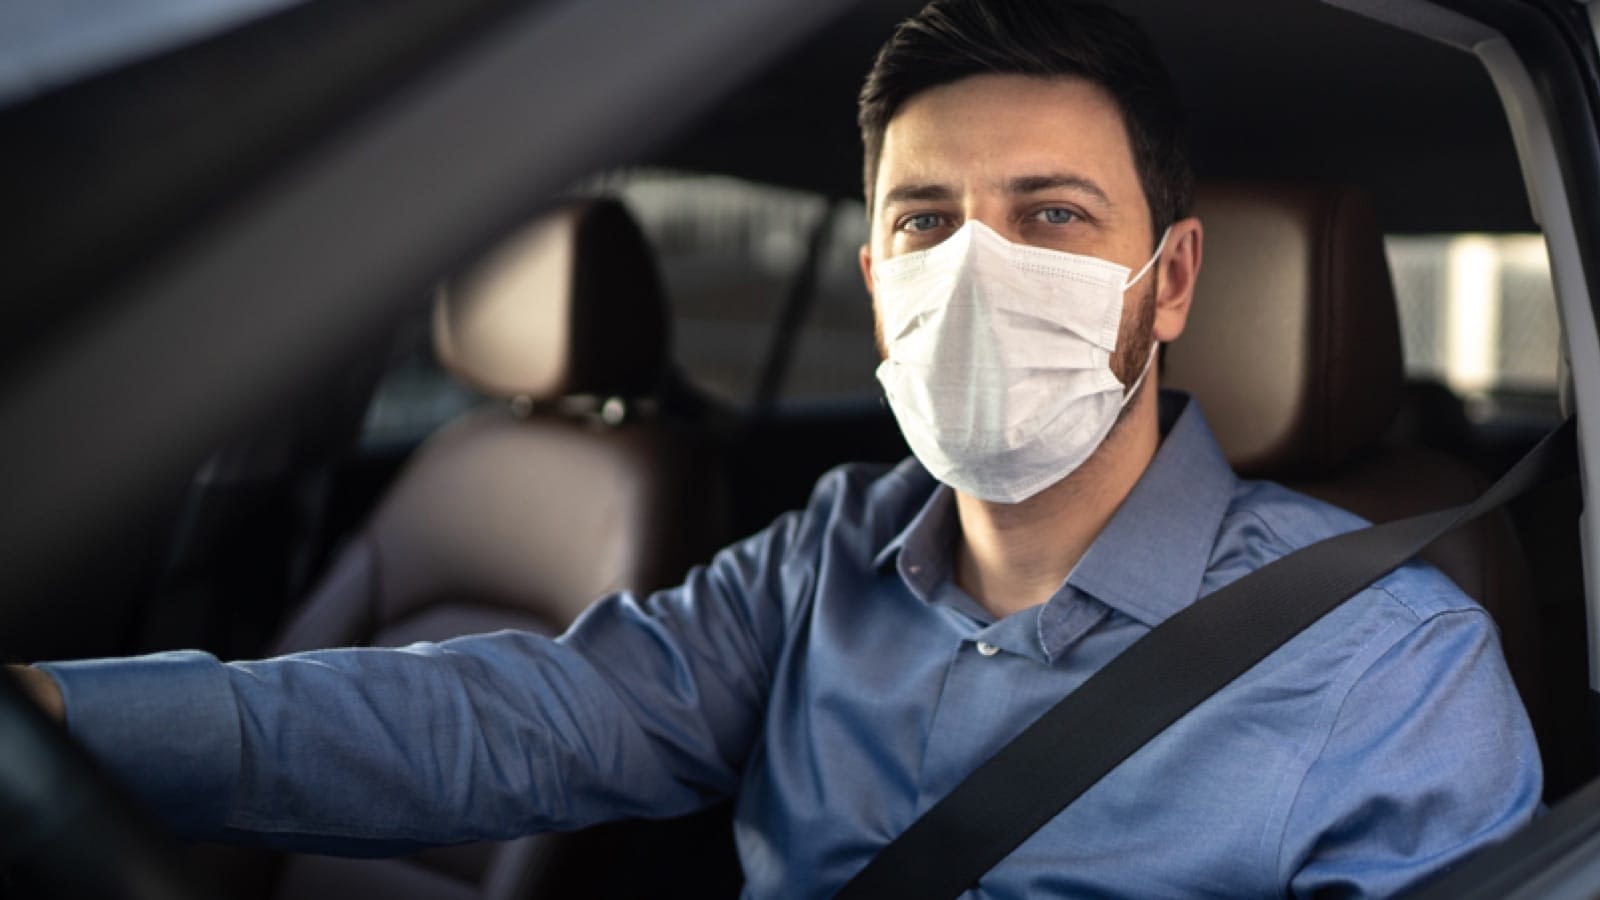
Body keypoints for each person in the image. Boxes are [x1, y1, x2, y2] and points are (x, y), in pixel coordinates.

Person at [13, 0, 1539, 896]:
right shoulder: (827, 558)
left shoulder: (1389, 669)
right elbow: (522, 716)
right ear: (877, 283)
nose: (976, 270)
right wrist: (63, 727)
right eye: (926, 223)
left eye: (1053, 217)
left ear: (1176, 280)